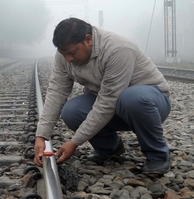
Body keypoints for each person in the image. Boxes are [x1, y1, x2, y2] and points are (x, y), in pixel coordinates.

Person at [34, 17, 171, 175]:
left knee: (132, 98)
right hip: (113, 105)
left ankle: (157, 156)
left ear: (88, 40)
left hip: (151, 103)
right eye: (64, 54)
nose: (68, 59)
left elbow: (107, 102)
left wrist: (74, 142)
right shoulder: (65, 55)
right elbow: (57, 91)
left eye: (72, 53)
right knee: (71, 110)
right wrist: (41, 135)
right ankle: (110, 149)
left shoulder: (118, 49)